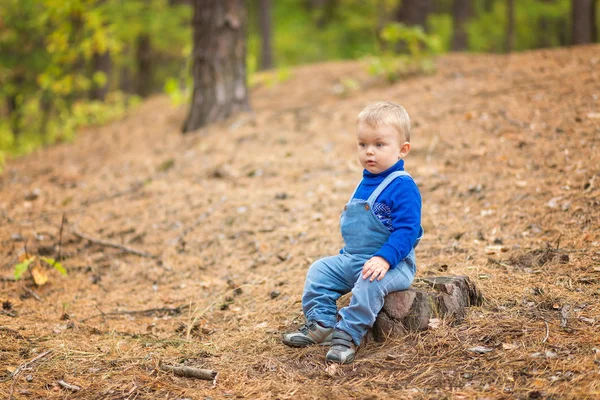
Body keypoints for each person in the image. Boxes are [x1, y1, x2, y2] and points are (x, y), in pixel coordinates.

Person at [282, 101, 423, 364]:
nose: (370, 152)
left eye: (379, 145)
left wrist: (385, 258)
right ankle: (322, 324)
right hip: (354, 257)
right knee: (319, 271)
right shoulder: (365, 181)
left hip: (392, 264)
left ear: (402, 150)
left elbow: (407, 230)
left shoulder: (402, 186)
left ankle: (347, 334)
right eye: (363, 144)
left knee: (370, 283)